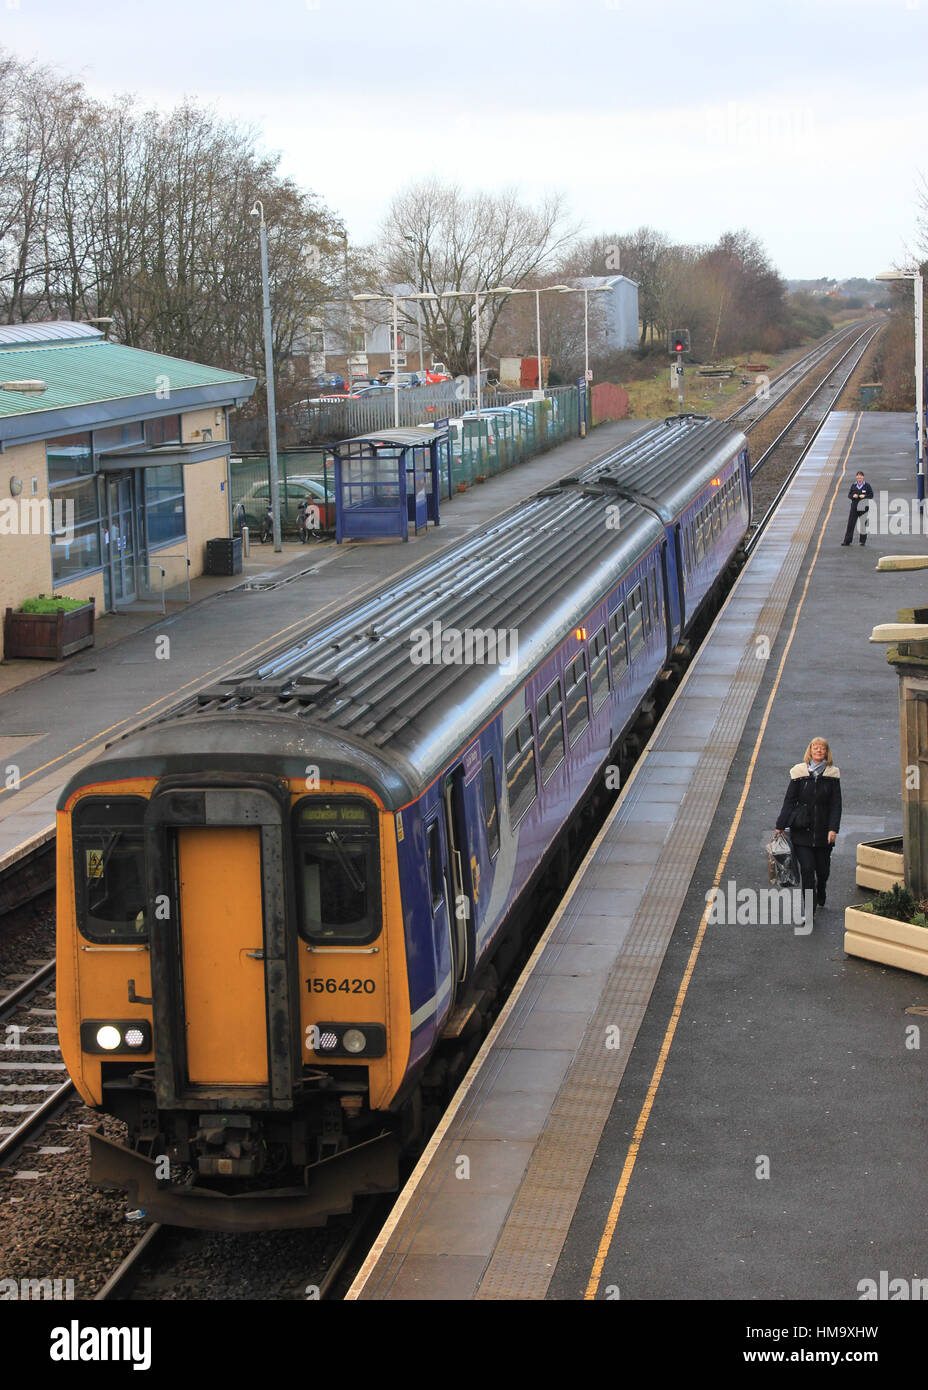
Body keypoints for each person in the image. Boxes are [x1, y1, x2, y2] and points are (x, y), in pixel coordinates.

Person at [774, 738, 841, 916]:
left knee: (822, 871)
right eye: (815, 747)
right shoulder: (799, 773)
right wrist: (780, 825)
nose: (818, 750)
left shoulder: (832, 775)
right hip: (801, 831)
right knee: (807, 870)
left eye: (822, 748)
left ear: (827, 752)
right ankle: (809, 910)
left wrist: (833, 829)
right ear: (810, 751)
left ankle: (822, 888)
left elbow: (836, 805)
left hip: (824, 833)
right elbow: (789, 800)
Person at [842, 470, 874, 546]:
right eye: (858, 477)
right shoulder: (853, 485)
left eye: (860, 477)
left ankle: (862, 541)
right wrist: (853, 496)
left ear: (863, 477)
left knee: (863, 524)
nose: (859, 478)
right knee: (850, 524)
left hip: (863, 508)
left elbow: (871, 495)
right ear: (856, 477)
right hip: (854, 507)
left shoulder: (867, 486)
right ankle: (847, 541)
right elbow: (849, 495)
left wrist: (865, 496)